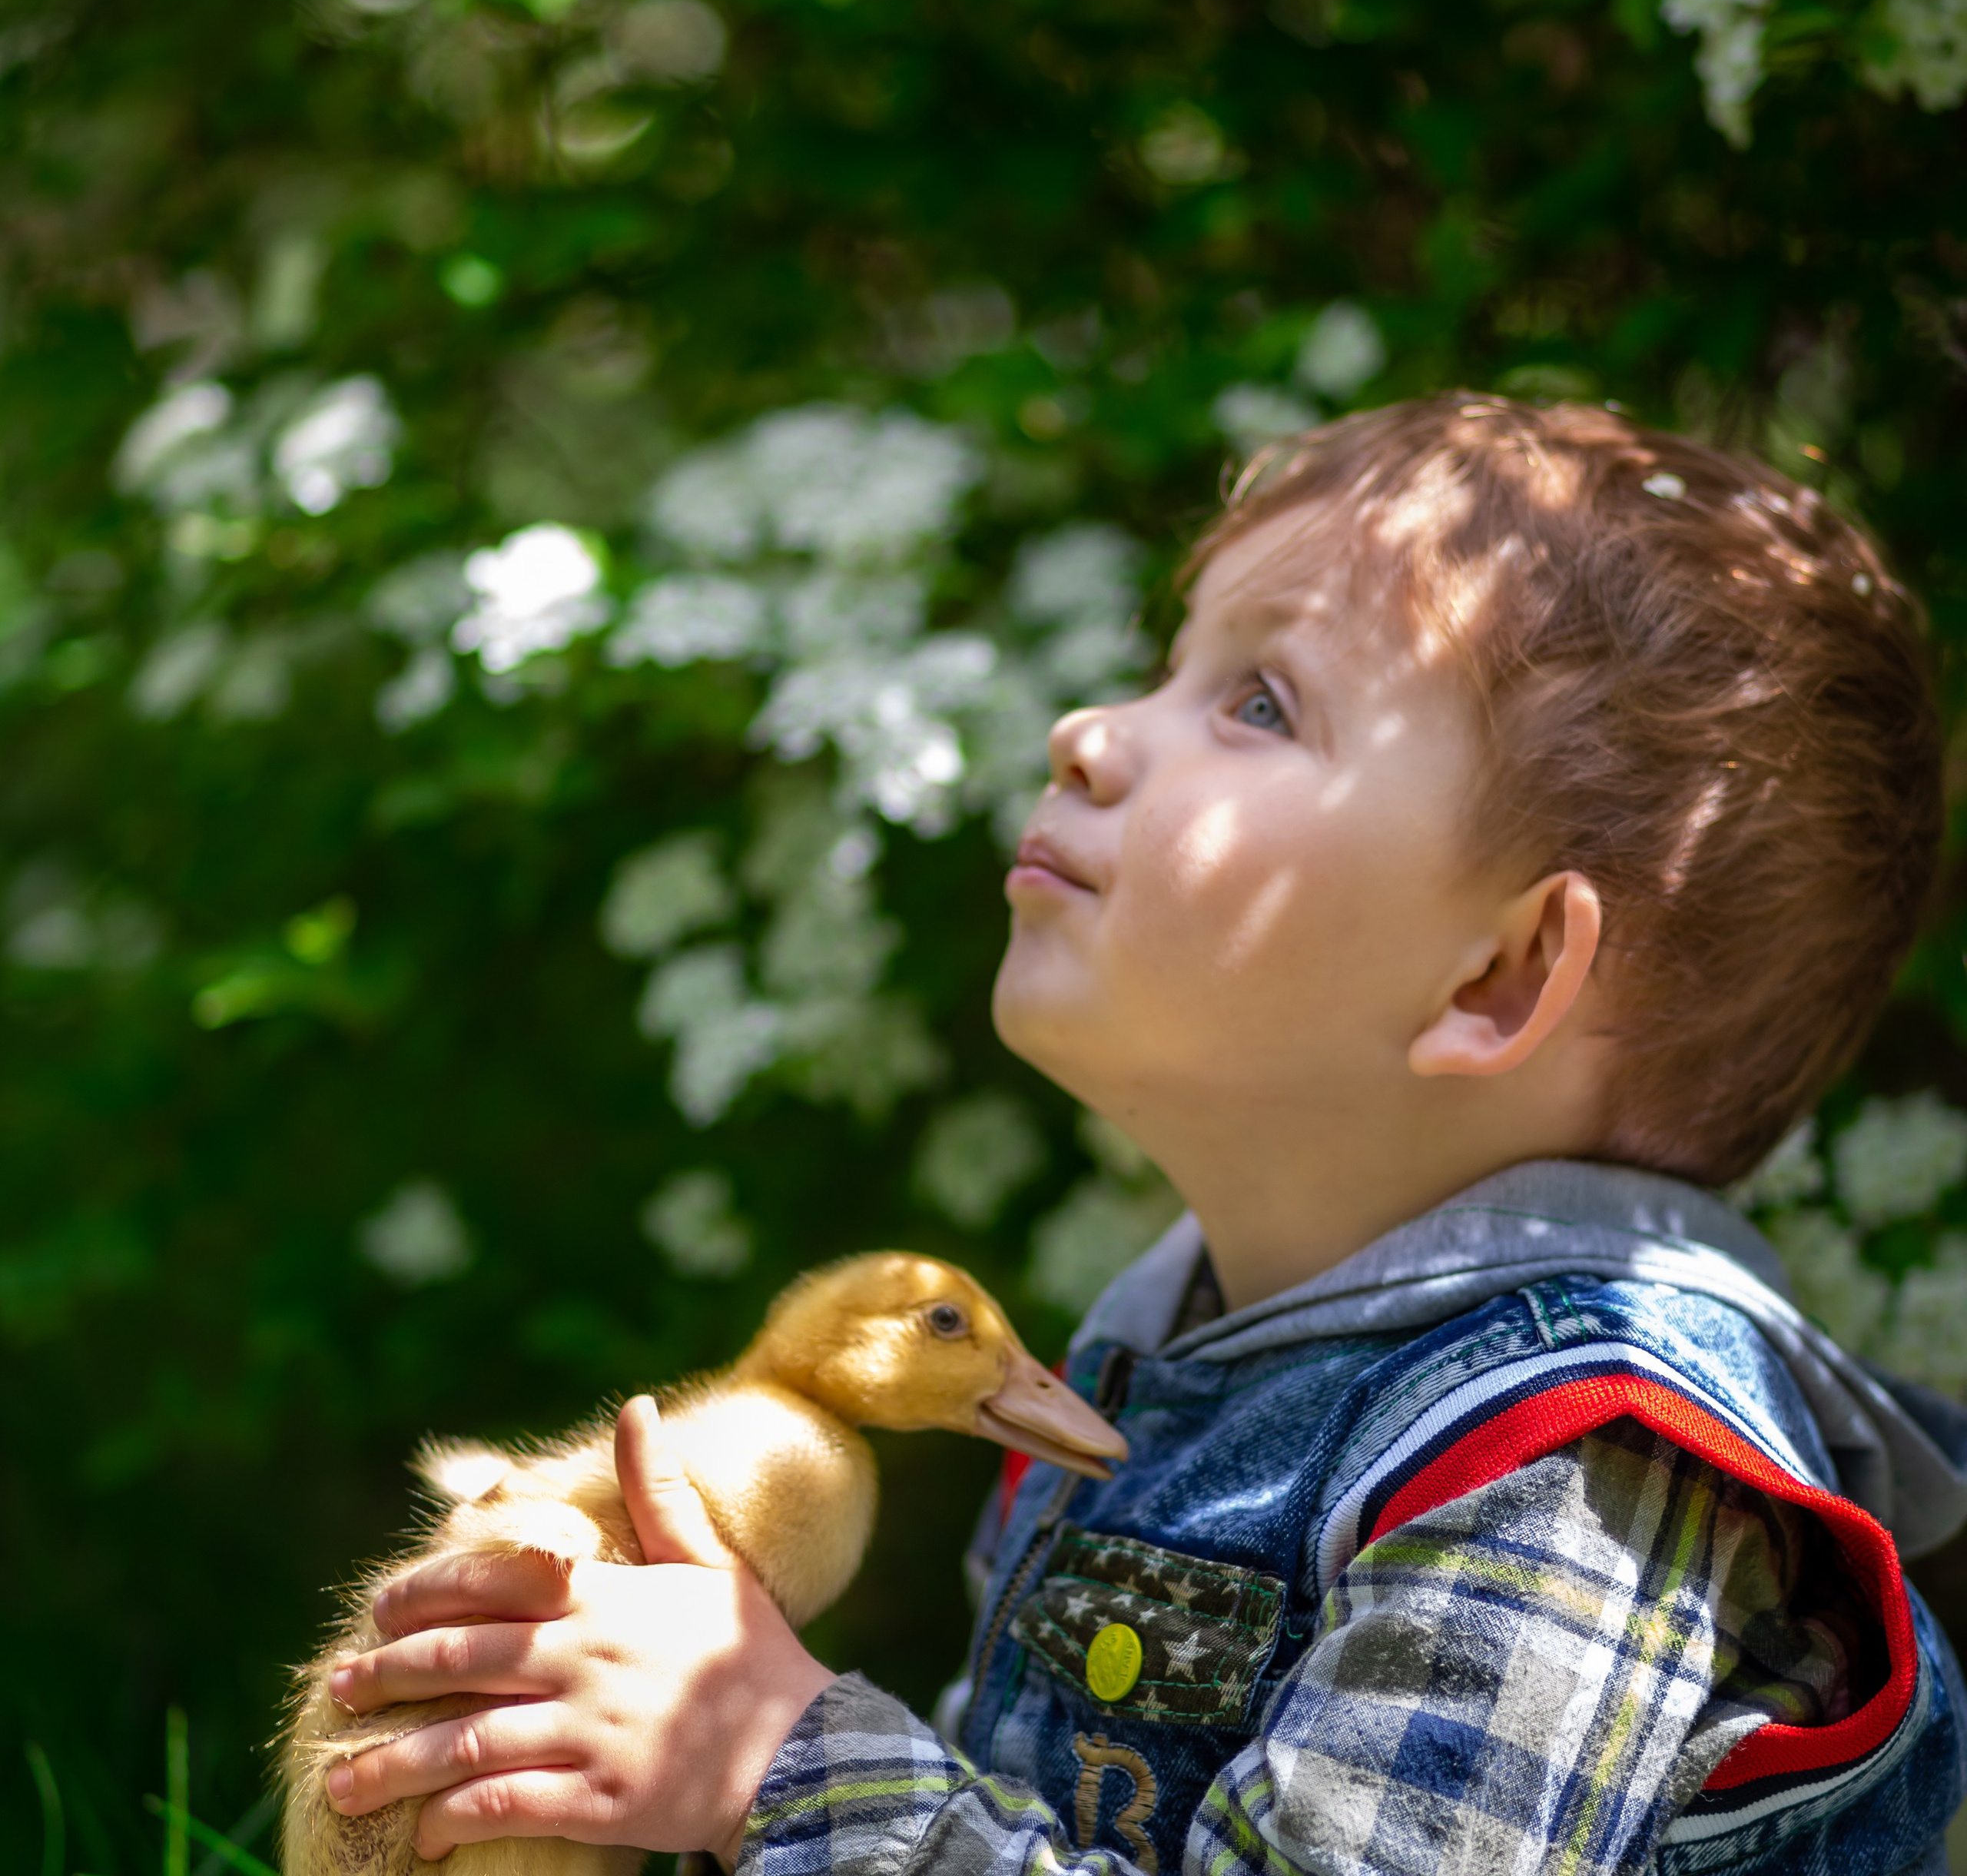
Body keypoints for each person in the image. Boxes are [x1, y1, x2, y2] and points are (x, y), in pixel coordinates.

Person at [319, 395, 1967, 1875]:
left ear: (1499, 971)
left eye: (1257, 699)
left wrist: (771, 1760)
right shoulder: (1169, 1344)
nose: (1091, 731)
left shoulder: (1571, 1465)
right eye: (1168, 661)